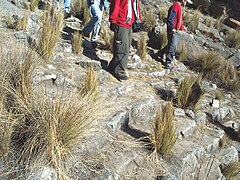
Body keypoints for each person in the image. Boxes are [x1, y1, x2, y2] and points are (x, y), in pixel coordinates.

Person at [107, 0, 142, 81]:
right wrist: (113, 20)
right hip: (121, 22)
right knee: (121, 47)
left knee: (126, 48)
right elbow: (115, 4)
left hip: (129, 24)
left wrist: (138, 20)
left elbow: (136, 6)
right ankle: (119, 70)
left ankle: (112, 67)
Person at [160, 0, 193, 69]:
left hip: (176, 30)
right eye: (186, 1)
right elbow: (171, 18)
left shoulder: (179, 7)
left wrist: (181, 27)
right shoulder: (176, 6)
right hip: (173, 30)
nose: (186, 3)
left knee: (171, 44)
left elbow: (179, 19)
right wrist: (172, 27)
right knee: (172, 45)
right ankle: (168, 62)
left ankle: (160, 54)